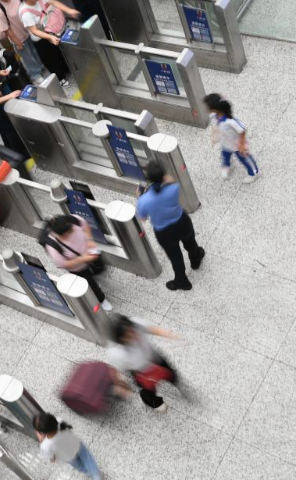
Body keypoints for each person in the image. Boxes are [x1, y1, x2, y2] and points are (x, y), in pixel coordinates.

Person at [136, 161, 204, 291]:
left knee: (175, 256)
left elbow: (143, 218)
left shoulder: (144, 200)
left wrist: (139, 196)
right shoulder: (174, 188)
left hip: (164, 232)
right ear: (163, 176)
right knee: (190, 242)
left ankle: (182, 281)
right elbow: (170, 179)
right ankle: (196, 260)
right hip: (182, 222)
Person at [108, 314, 184, 412]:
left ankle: (174, 380)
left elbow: (152, 329)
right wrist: (123, 387)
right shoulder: (116, 352)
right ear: (119, 339)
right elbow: (118, 370)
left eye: (131, 331)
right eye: (127, 336)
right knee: (149, 391)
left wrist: (171, 335)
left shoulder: (135, 323)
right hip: (140, 372)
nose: (132, 336)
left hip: (154, 358)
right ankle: (155, 403)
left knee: (171, 373)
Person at [40, 214, 112, 311]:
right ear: (60, 235)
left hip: (90, 252)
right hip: (78, 267)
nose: (72, 232)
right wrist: (83, 259)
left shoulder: (72, 220)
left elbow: (85, 225)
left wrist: (90, 240)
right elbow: (64, 264)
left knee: (100, 267)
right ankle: (101, 300)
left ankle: (95, 275)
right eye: (69, 232)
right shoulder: (52, 246)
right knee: (90, 284)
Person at [19, 0, 78, 86]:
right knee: (50, 59)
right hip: (41, 39)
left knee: (58, 53)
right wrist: (49, 37)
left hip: (51, 29)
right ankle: (60, 78)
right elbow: (34, 30)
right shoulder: (25, 13)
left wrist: (69, 10)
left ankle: (66, 69)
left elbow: (53, 2)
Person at [33, 412, 101, 480]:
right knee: (88, 459)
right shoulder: (59, 421)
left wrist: (41, 440)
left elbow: (52, 458)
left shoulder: (45, 445)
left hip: (68, 456)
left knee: (79, 466)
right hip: (77, 445)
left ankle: (87, 472)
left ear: (42, 432)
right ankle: (96, 474)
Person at [0, 0, 46, 83]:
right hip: (19, 38)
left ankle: (40, 67)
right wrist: (18, 43)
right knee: (28, 58)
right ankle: (35, 75)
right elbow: (6, 30)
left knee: (35, 52)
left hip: (30, 31)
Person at [209, 98, 258, 183]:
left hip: (237, 145)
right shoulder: (215, 116)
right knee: (225, 155)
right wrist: (214, 138)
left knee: (245, 159)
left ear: (220, 111)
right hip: (226, 144)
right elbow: (216, 127)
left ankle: (254, 173)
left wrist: (242, 145)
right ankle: (226, 166)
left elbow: (242, 130)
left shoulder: (231, 121)